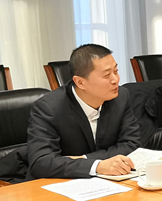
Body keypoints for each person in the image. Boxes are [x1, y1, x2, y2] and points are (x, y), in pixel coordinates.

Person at [27, 44, 140, 179]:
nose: (116, 80)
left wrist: (86, 159)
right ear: (80, 82)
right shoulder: (49, 108)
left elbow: (132, 144)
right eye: (107, 75)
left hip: (108, 182)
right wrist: (97, 166)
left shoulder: (120, 97)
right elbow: (42, 162)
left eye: (116, 71)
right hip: (61, 184)